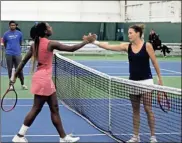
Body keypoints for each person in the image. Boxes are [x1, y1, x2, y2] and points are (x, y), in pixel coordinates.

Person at [10, 22, 95, 142]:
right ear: (45, 31)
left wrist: (13, 77)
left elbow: (23, 62)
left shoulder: (35, 44)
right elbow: (71, 49)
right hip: (43, 80)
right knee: (36, 108)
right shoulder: (50, 43)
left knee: (54, 108)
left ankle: (63, 137)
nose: (51, 28)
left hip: (42, 79)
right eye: (49, 27)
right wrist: (87, 41)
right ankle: (19, 136)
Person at [85, 24, 162, 143]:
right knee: (135, 111)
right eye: (128, 33)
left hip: (147, 82)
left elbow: (155, 62)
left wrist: (160, 79)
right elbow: (108, 47)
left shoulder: (147, 46)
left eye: (131, 33)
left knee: (148, 109)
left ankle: (153, 136)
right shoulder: (127, 47)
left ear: (138, 33)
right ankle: (135, 137)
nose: (129, 35)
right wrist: (94, 42)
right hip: (132, 83)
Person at [3, 20, 28, 90]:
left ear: (16, 26)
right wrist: (8, 49)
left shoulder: (19, 33)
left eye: (14, 25)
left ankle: (23, 84)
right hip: (9, 54)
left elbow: (20, 42)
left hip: (17, 54)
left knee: (20, 69)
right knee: (10, 70)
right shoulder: (6, 34)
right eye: (11, 25)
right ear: (9, 26)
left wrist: (17, 49)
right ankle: (11, 85)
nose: (12, 26)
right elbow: (5, 43)